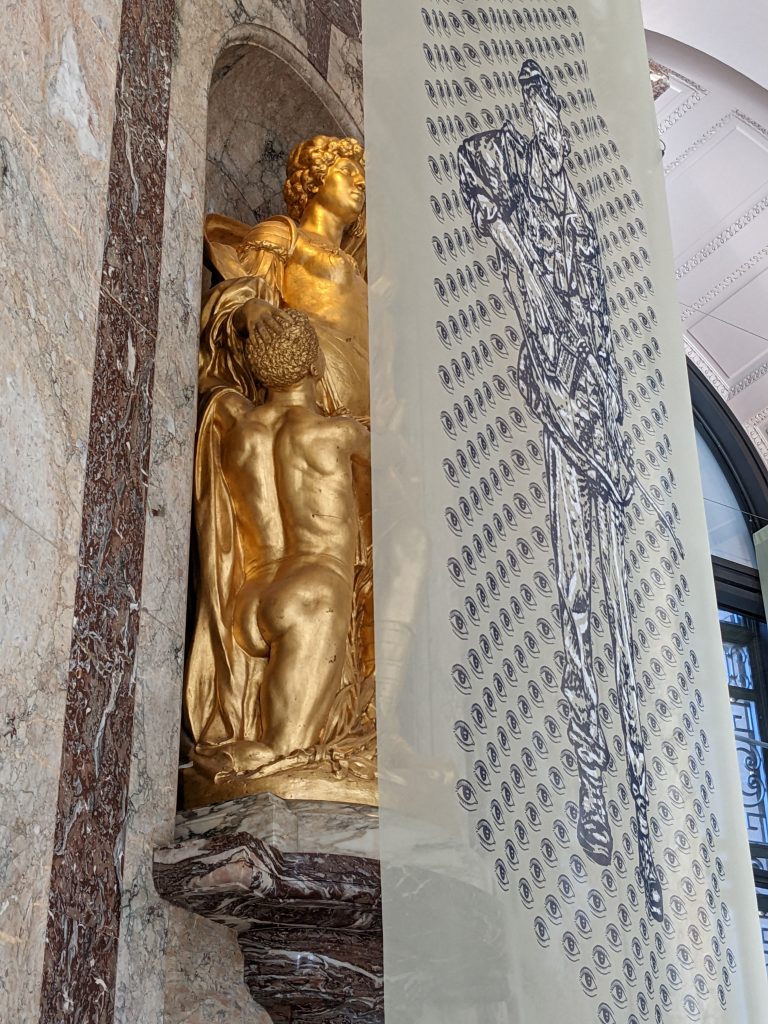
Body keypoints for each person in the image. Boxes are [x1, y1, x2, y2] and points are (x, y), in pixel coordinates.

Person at [458, 59, 663, 921]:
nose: (545, 123)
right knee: (579, 604)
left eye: (550, 110)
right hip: (560, 409)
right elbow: (474, 173)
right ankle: (592, 791)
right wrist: (526, 268)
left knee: (615, 621)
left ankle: (644, 826)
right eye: (536, 109)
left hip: (601, 419)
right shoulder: (512, 177)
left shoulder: (575, 209)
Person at [184, 137, 375, 795]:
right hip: (320, 416)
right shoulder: (284, 239)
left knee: (366, 582)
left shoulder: (359, 265)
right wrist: (262, 309)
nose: (358, 182)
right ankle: (292, 743)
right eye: (347, 170)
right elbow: (237, 300)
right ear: (312, 180)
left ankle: (354, 722)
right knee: (322, 570)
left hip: (351, 416)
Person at [191, 308, 369, 777]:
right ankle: (237, 763)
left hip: (246, 602)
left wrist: (253, 314)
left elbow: (213, 373)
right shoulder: (340, 434)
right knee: (287, 754)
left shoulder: (233, 423)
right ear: (316, 367)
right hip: (313, 592)